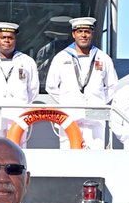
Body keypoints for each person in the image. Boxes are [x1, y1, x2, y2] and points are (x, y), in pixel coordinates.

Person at [45, 16, 117, 149]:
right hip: (70, 115)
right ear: (73, 34)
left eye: (87, 31)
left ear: (92, 34)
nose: (83, 35)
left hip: (95, 116)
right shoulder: (61, 57)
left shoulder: (103, 58)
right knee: (68, 155)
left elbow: (112, 85)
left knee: (96, 155)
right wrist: (68, 101)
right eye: (80, 31)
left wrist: (99, 101)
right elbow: (51, 86)